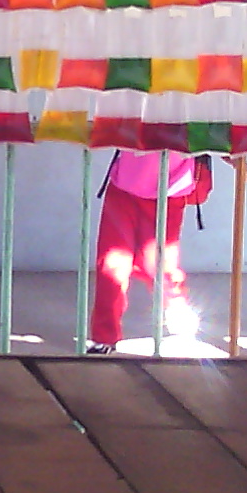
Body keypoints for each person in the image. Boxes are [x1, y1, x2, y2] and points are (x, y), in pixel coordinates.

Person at [88, 149, 207, 355]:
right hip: (125, 185)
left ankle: (176, 307)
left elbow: (210, 132)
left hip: (170, 189)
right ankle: (104, 336)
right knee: (112, 264)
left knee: (159, 266)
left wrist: (231, 155)